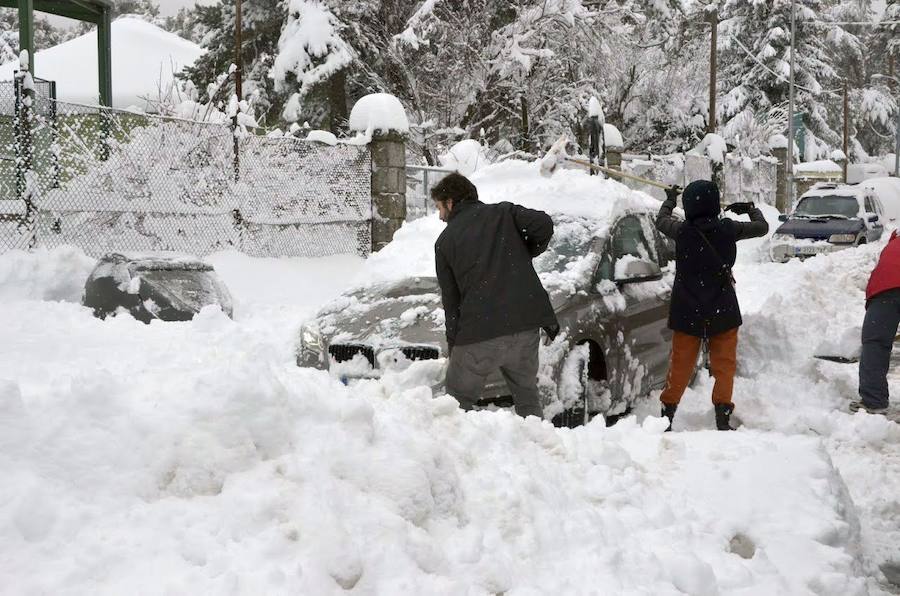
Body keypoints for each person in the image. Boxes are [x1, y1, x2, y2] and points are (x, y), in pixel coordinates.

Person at [432, 172, 559, 419]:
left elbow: (452, 302)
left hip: (479, 336)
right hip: (525, 327)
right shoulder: (504, 214)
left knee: (455, 407)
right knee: (527, 398)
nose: (440, 216)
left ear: (450, 202)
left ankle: (455, 454)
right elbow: (544, 224)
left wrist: (454, 347)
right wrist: (527, 250)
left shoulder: (445, 242)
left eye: (439, 207)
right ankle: (538, 447)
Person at [655, 180, 769, 431]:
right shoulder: (728, 229)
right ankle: (722, 415)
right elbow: (762, 228)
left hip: (688, 309)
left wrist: (670, 199)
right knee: (724, 364)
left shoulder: (682, 231)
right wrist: (750, 208)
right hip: (722, 307)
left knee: (681, 364)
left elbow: (661, 220)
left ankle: (667, 414)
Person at [852, 230, 900, 415]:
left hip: (884, 291)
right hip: (885, 287)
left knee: (875, 345)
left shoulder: (892, 245)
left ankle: (874, 402)